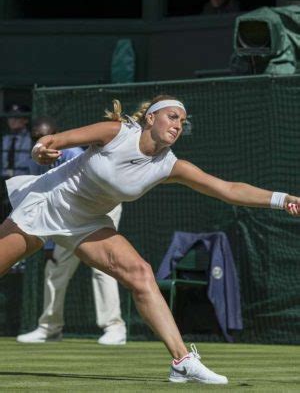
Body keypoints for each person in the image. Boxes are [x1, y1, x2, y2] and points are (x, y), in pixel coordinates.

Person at [1, 94, 300, 385]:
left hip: (88, 223)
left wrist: (282, 199)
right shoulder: (116, 132)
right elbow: (53, 141)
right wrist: (41, 149)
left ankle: (182, 362)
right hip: (46, 203)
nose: (178, 125)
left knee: (141, 274)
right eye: (172, 117)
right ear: (151, 117)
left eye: (182, 121)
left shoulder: (170, 166)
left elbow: (229, 189)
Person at [16, 117, 126, 345]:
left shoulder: (74, 155)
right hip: (66, 213)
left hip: (101, 206)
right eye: (35, 138)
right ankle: (50, 328)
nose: (40, 142)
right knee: (54, 268)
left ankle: (114, 327)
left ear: (55, 135)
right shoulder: (35, 161)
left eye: (43, 137)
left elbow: (89, 191)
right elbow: (40, 199)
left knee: (103, 267)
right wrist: (48, 244)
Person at [1, 104, 32, 178]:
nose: (12, 120)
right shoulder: (4, 139)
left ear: (26, 120)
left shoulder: (31, 139)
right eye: (10, 117)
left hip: (24, 180)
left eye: (17, 117)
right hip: (3, 179)